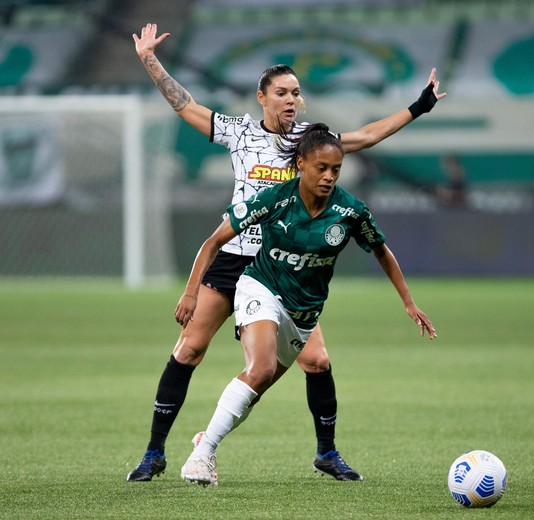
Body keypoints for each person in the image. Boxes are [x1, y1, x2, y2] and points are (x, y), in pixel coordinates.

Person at [127, 22, 445, 483]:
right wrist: (150, 61)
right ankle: (154, 453)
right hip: (236, 256)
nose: (292, 100)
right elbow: (185, 105)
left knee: (317, 361)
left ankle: (326, 453)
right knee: (190, 348)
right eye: (282, 92)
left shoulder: (314, 143)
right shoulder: (238, 133)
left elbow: (369, 135)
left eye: (296, 92)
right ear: (262, 97)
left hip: (282, 263)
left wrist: (420, 105)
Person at [177, 123, 437, 486]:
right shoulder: (274, 199)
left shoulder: (350, 211)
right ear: (300, 163)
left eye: (336, 169)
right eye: (322, 168)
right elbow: (213, 242)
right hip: (260, 288)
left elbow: (381, 249)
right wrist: (191, 292)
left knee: (271, 379)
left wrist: (409, 303)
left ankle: (211, 437)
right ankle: (201, 457)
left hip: (304, 311)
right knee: (261, 367)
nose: (329, 176)